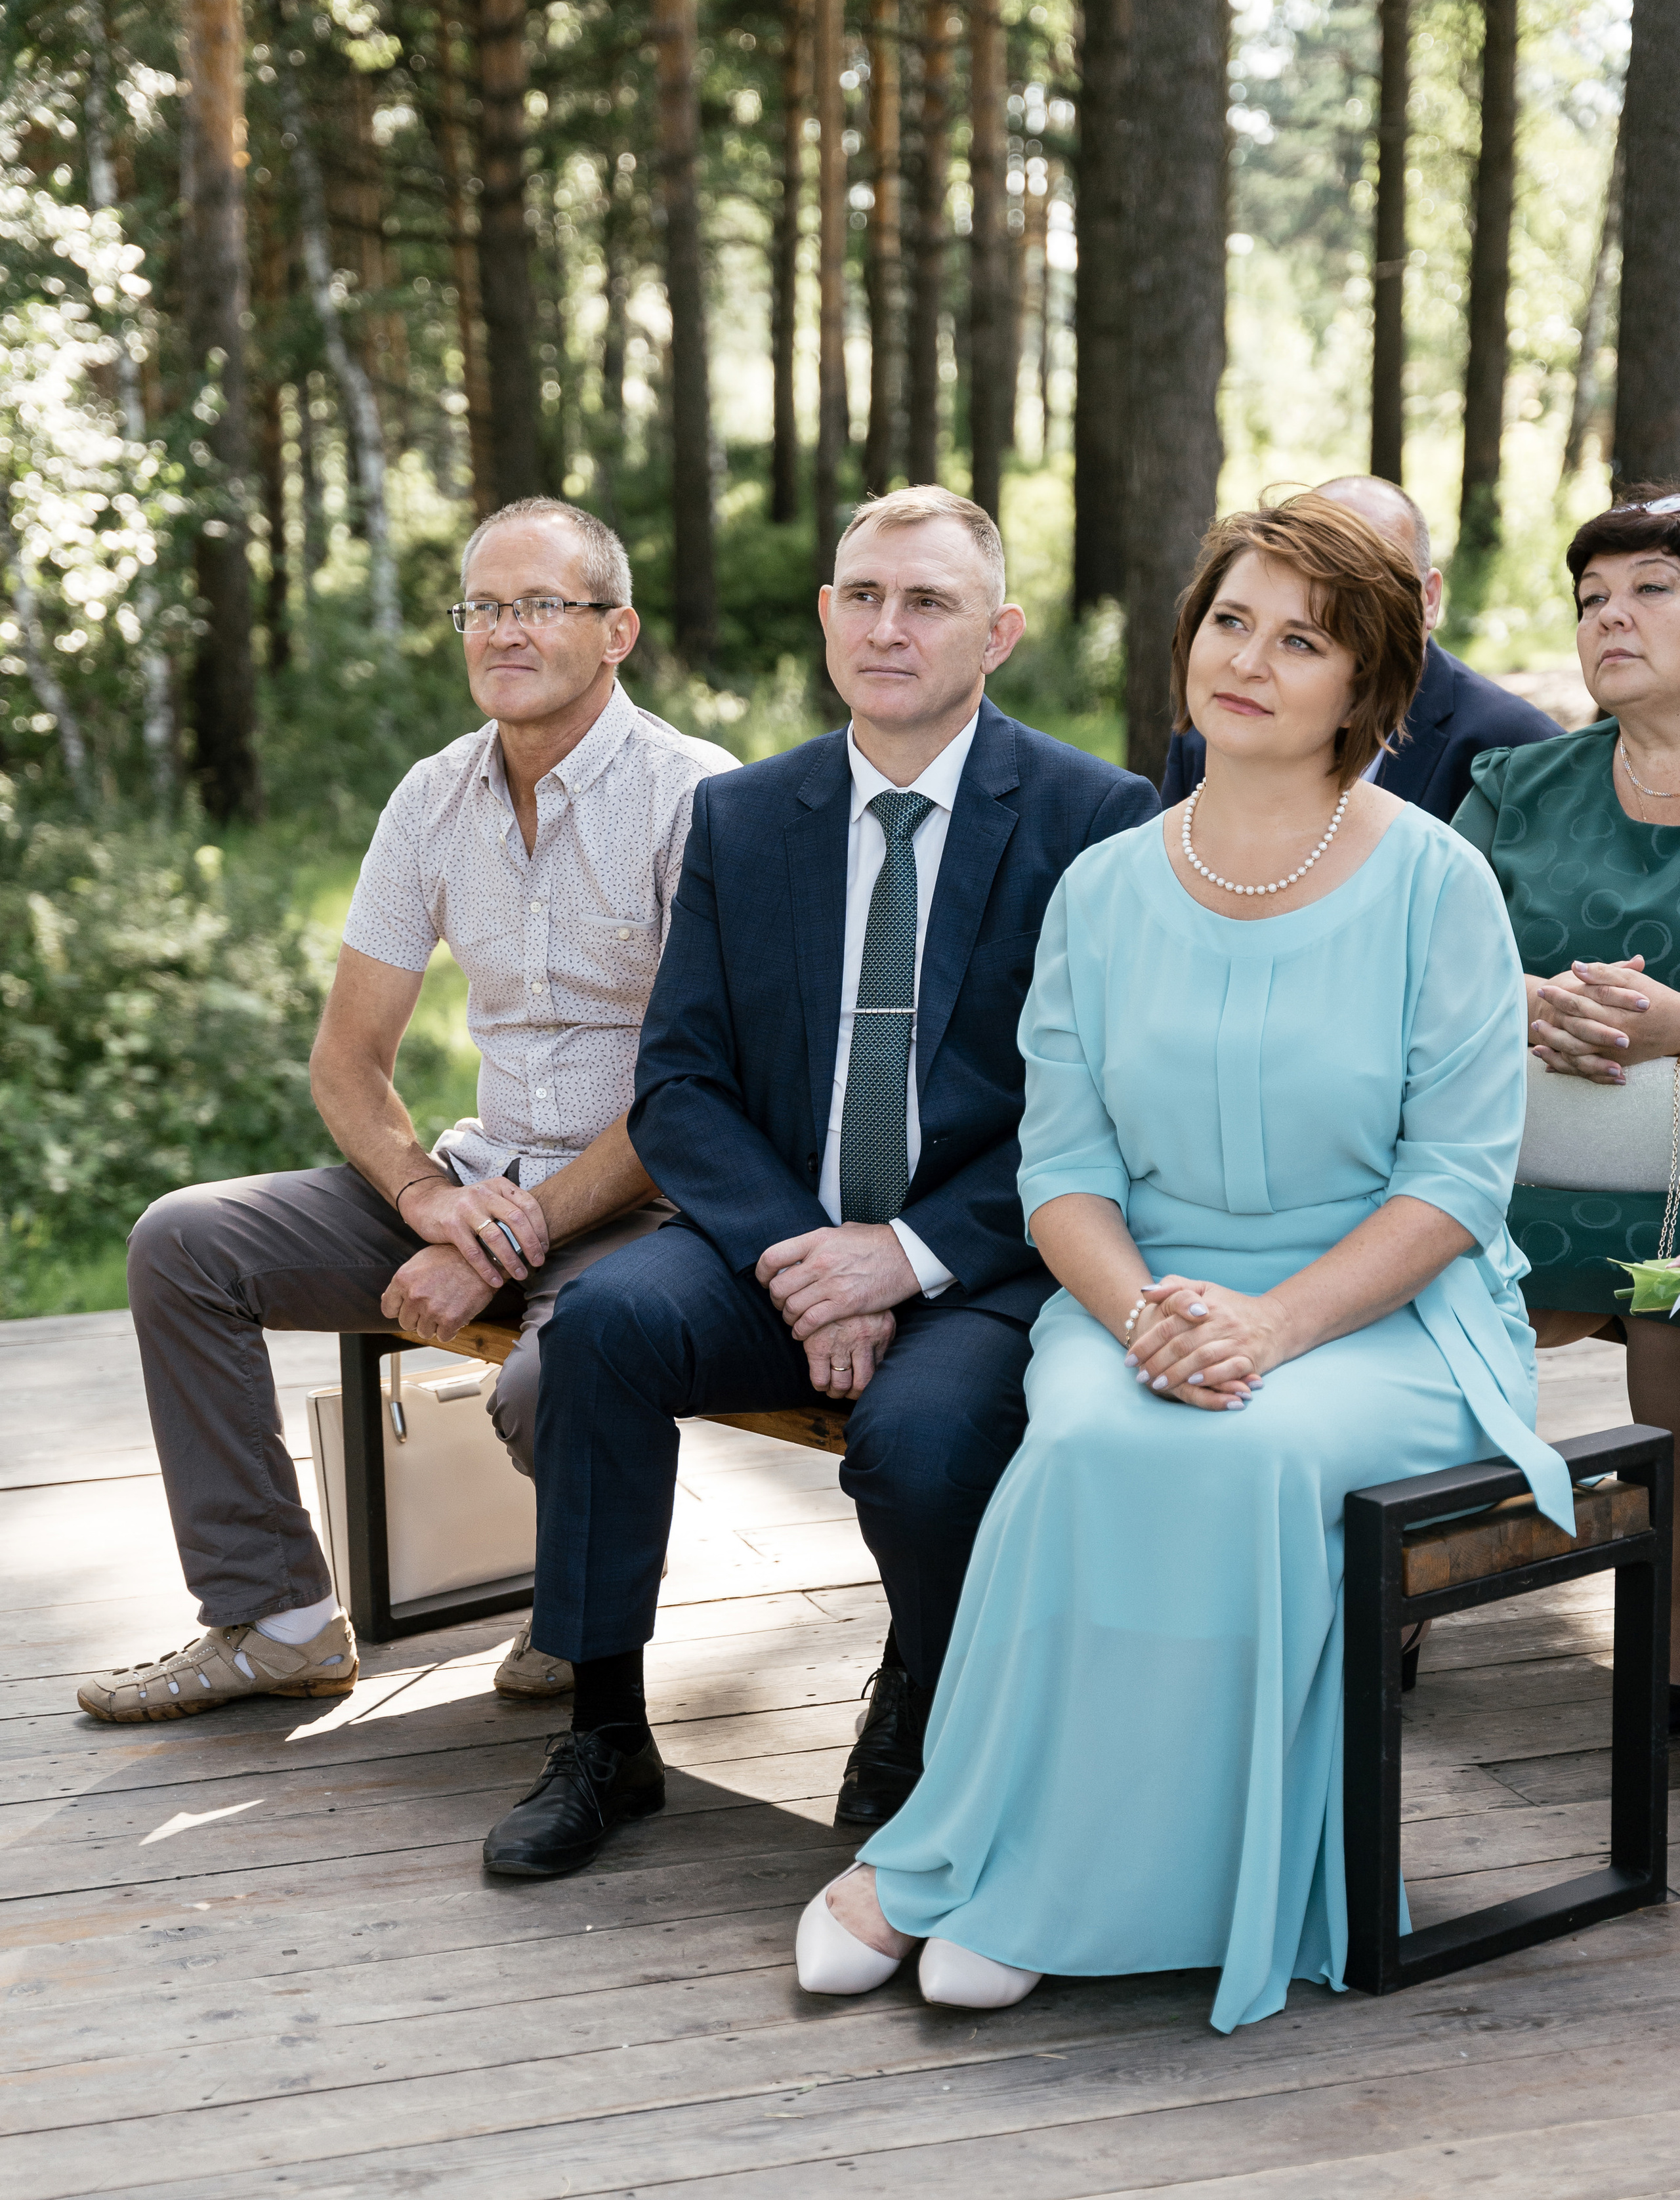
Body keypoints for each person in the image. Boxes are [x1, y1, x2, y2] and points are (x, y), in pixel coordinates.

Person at [793, 491, 1572, 2029]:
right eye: (1229, 621)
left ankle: (1020, 1884)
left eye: (1302, 640)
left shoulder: (1436, 886)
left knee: (1245, 1448)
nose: (1250, 661)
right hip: (1134, 1292)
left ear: (1367, 686)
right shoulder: (1103, 887)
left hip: (1389, 1315)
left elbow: (1452, 1188)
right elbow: (1062, 1172)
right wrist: (1148, 1312)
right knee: (1082, 1431)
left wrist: (1269, 1326)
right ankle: (966, 1845)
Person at [479, 486, 1159, 1880]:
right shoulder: (741, 817)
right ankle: (606, 1728)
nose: (886, 628)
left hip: (987, 1257)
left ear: (999, 634)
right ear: (824, 616)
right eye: (861, 596)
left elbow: (1108, 1107)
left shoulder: (1095, 818)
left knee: (914, 1446)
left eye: (926, 603)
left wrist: (897, 1258)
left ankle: (924, 1694)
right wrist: (804, 1254)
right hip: (775, 1238)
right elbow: (677, 1083)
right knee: (601, 1330)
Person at [78, 499, 734, 1725]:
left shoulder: (700, 800)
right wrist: (432, 1200)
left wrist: (516, 1231)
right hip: (478, 1182)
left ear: (619, 631)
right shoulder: (433, 797)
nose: (503, 631)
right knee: (185, 1242)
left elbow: (699, 1091)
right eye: (482, 607)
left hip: (647, 1210)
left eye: (542, 604)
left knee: (551, 1386)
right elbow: (347, 1059)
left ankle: (586, 1614)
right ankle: (276, 1620)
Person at [1451, 482, 1680, 1733]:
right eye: (1593, 596)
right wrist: (1523, 995)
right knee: (1398, 1283)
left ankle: (1677, 1677)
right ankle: (1384, 1599)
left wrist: (1677, 1029)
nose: (1613, 617)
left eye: (1652, 588)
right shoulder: (1516, 785)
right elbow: (1413, 959)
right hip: (1498, 1189)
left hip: (1679, 1218)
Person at [1160, 474, 1557, 814]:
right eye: (1231, 621)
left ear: (1429, 598)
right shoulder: (1221, 721)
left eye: (1378, 575)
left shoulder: (1520, 750)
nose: (1247, 665)